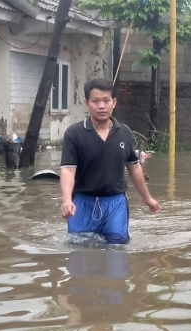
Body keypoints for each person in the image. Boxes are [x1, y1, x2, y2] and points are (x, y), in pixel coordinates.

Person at [60, 79, 161, 244]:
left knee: (117, 248)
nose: (101, 106)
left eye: (106, 100)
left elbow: (134, 168)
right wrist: (66, 200)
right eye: (95, 101)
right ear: (87, 103)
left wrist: (147, 198)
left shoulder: (124, 132)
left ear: (114, 102)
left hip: (115, 203)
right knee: (79, 248)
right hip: (82, 202)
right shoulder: (74, 133)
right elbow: (68, 170)